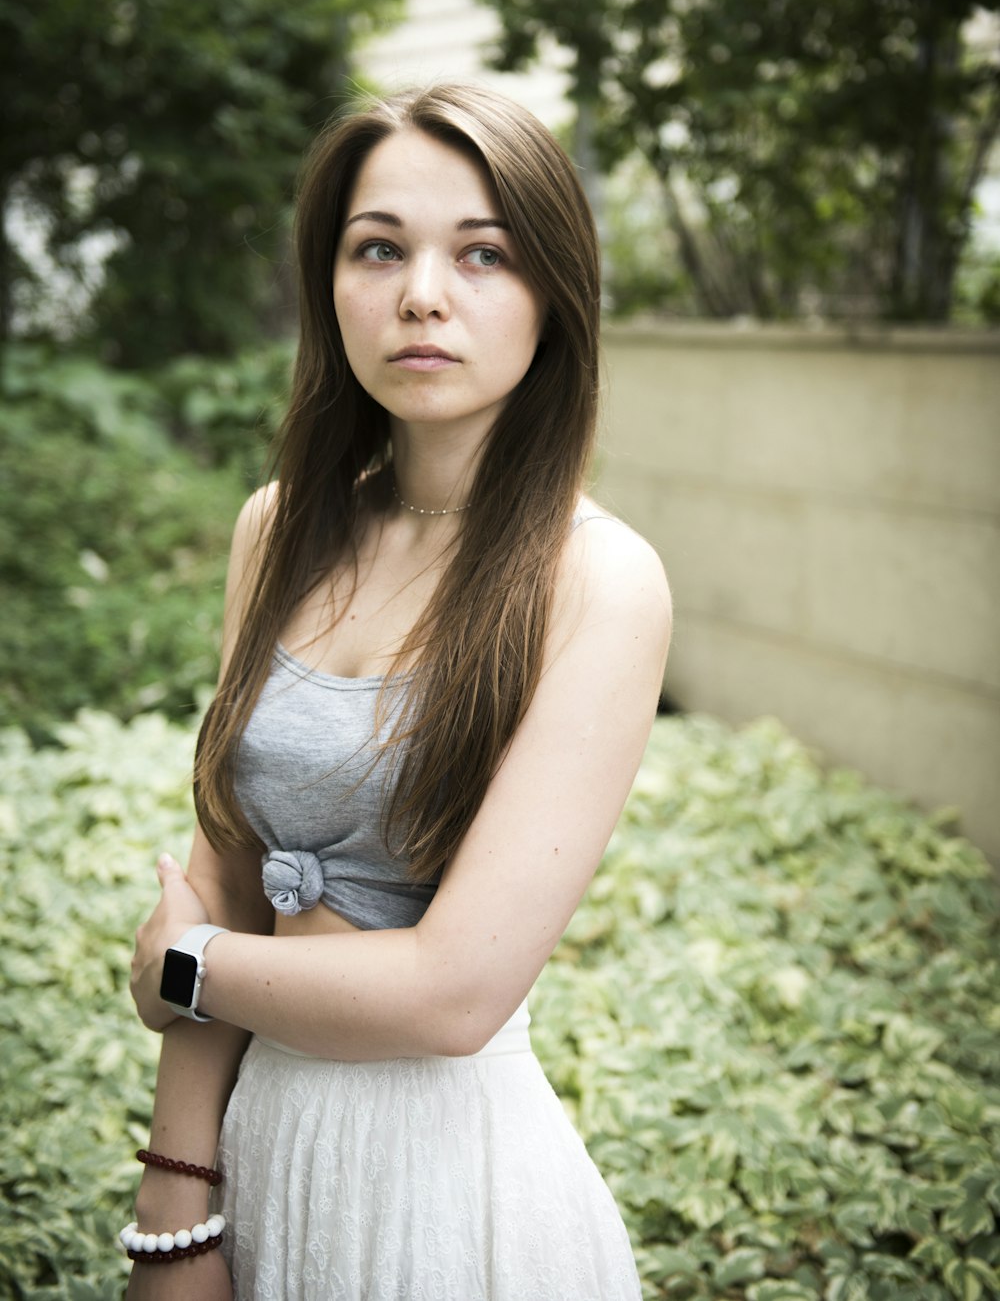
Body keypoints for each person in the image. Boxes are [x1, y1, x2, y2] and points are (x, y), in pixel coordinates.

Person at [126, 82, 672, 1301]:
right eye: (381, 248)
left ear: (553, 296)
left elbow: (452, 993)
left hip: (449, 1192)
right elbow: (219, 879)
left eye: (483, 254)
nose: (423, 292)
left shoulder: (598, 580)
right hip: (262, 1154)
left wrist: (181, 970)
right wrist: (173, 1201)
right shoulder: (278, 531)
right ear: (332, 283)